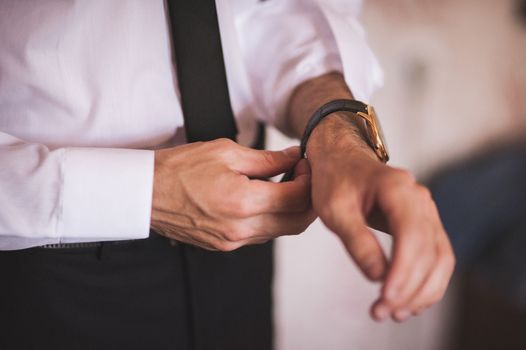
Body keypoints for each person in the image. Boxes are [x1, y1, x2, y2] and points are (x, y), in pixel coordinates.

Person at [0, 0, 455, 349]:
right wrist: (145, 192)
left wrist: (339, 139)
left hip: (240, 260)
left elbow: (272, 15)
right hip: (37, 268)